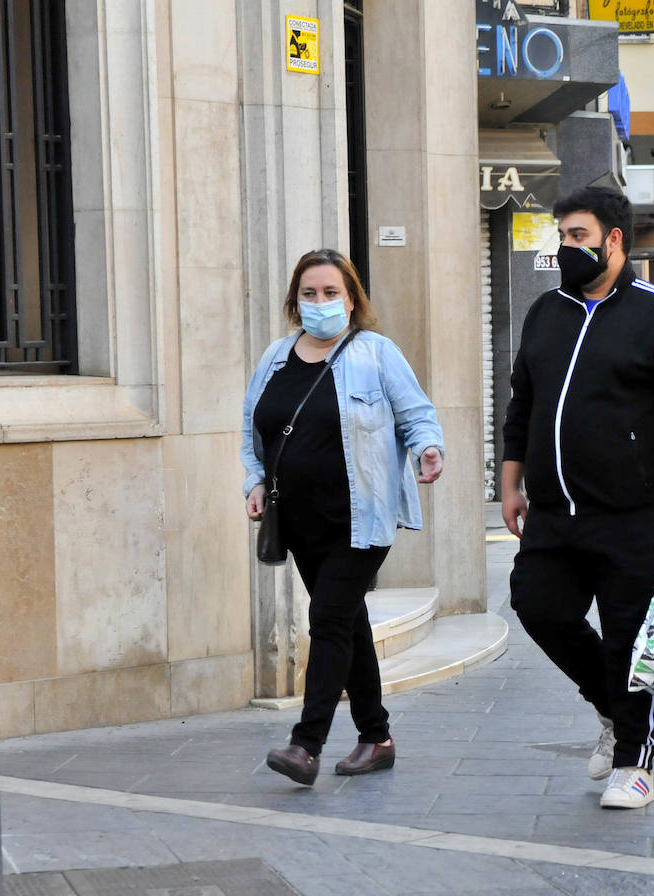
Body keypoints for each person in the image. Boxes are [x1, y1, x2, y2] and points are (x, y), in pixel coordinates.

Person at [502, 186, 654, 810]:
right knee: (538, 607)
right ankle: (612, 709)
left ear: (613, 239)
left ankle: (634, 761)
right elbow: (522, 405)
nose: (567, 247)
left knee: (627, 637)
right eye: (562, 236)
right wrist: (511, 483)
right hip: (553, 512)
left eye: (578, 236)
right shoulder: (546, 313)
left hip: (631, 512)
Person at [241, 248, 444, 787]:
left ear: (352, 301)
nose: (320, 303)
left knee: (329, 620)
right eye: (309, 294)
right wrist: (255, 481)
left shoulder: (376, 353)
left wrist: (428, 448)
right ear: (294, 301)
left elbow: (416, 413)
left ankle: (305, 745)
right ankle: (376, 737)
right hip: (299, 521)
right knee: (347, 622)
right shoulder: (276, 358)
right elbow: (251, 429)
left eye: (331, 293)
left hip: (362, 518)